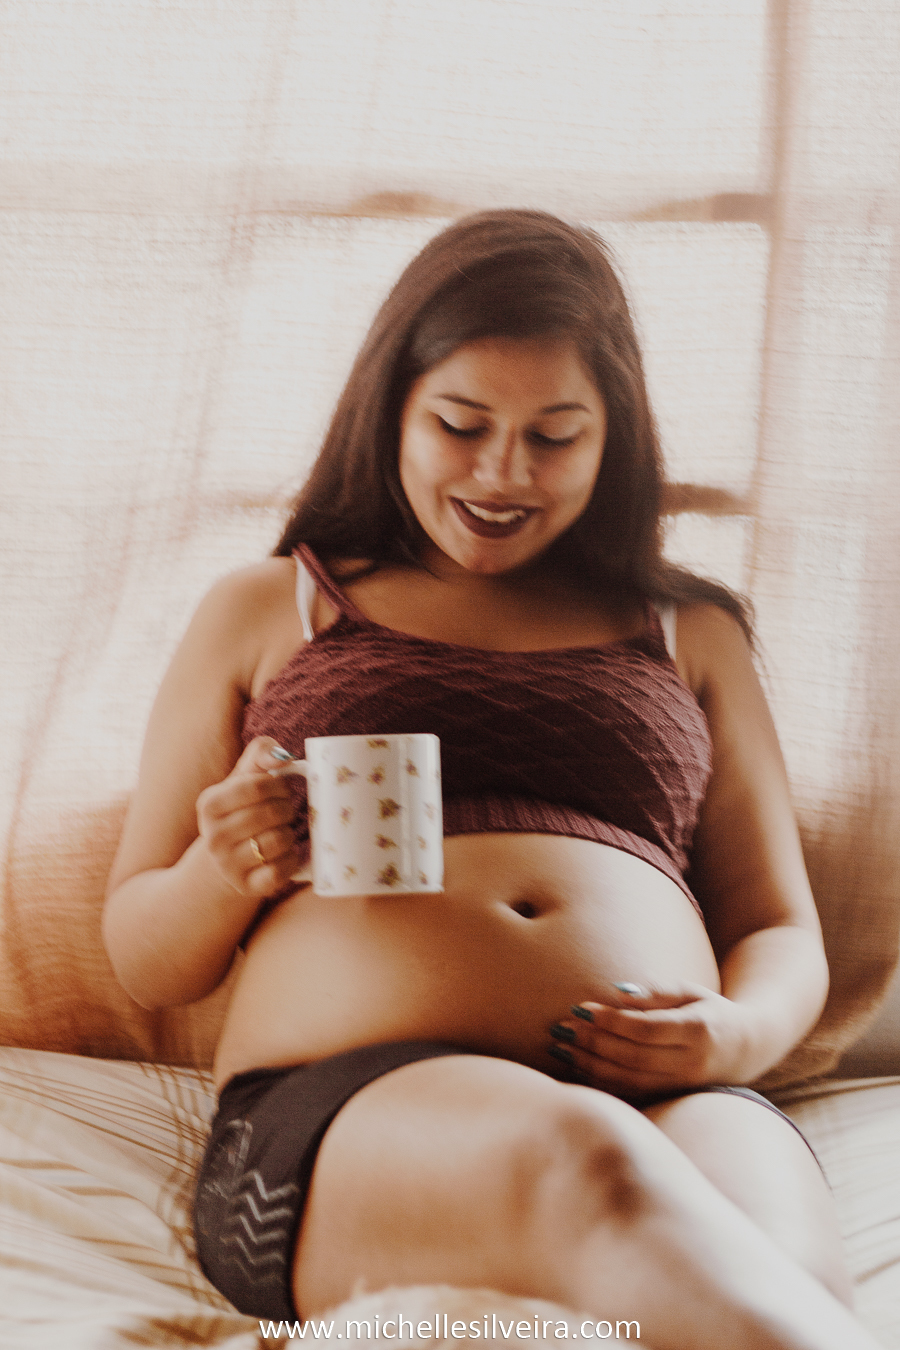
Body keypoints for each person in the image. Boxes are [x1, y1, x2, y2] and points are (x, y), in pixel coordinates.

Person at [103, 210, 881, 1349]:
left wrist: (735, 1036)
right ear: (393, 411)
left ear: (614, 437)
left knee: (778, 1275)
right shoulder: (271, 607)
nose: (504, 473)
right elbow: (145, 955)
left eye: (555, 436)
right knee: (589, 1164)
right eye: (460, 425)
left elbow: (776, 924)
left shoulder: (691, 632)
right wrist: (223, 870)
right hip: (346, 1104)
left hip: (676, 1094)